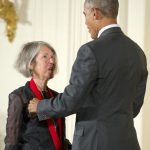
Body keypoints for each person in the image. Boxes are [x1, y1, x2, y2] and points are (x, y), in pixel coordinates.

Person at [28, 0, 148, 150]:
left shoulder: (90, 51)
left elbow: (71, 101)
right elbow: (135, 107)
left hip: (94, 143)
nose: (85, 22)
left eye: (85, 15)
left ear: (95, 13)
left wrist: (40, 106)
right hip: (129, 143)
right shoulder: (138, 53)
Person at [4, 41, 71, 150]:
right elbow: (12, 142)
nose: (52, 61)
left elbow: (60, 138)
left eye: (53, 57)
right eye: (45, 57)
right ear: (31, 64)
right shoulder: (19, 97)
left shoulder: (57, 97)